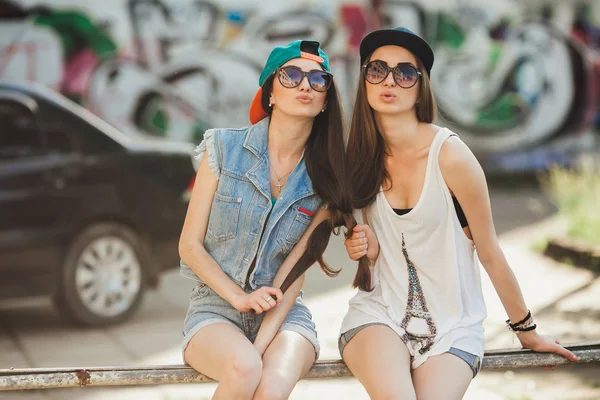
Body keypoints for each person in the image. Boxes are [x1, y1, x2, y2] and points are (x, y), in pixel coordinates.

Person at [340, 27, 578, 400]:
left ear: (421, 87)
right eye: (377, 70)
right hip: (379, 315)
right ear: (365, 80)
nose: (390, 80)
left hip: (453, 325)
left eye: (405, 73)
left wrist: (526, 329)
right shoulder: (358, 158)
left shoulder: (450, 156)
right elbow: (381, 247)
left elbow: (489, 252)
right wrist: (367, 250)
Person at [178, 39, 356, 400]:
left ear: (325, 100)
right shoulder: (222, 148)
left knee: (266, 383)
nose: (305, 85)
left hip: (285, 316)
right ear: (270, 92)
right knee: (243, 368)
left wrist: (259, 347)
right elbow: (189, 246)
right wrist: (239, 300)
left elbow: (292, 275)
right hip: (214, 308)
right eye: (291, 75)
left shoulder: (327, 180)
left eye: (318, 80)